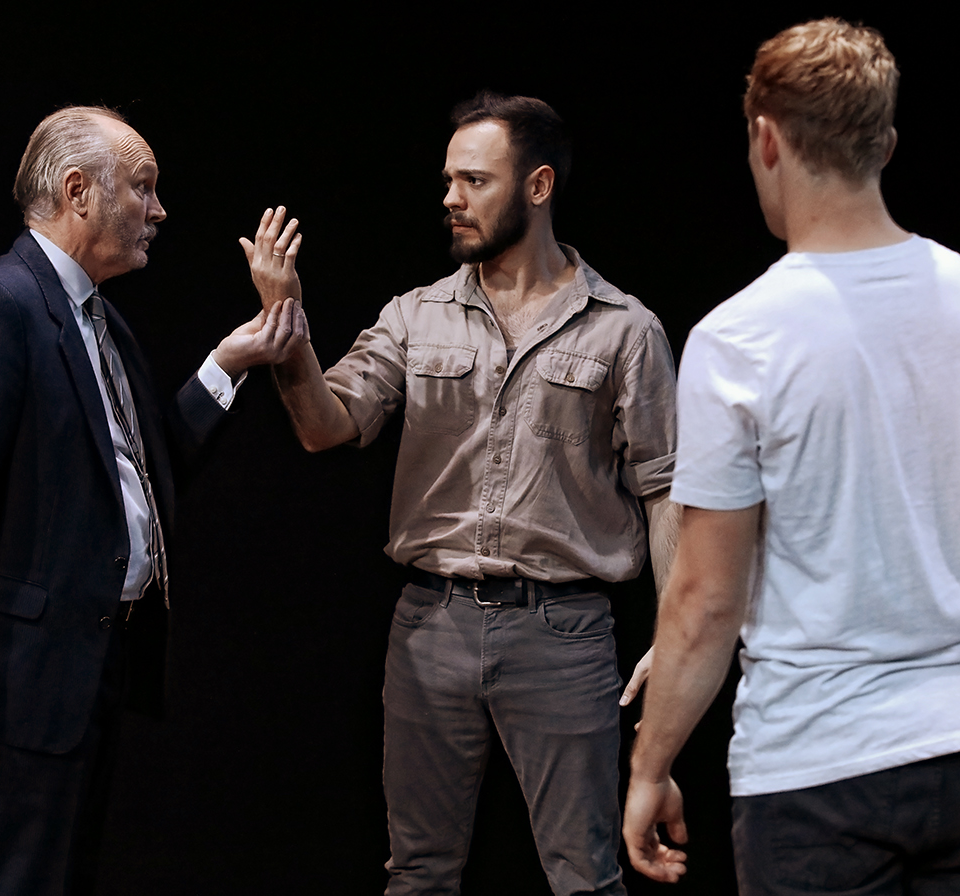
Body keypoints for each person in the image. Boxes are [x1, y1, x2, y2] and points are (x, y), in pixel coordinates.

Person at [622, 18, 960, 893]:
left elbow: (708, 597)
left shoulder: (740, 340)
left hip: (815, 770)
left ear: (765, 138)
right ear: (885, 143)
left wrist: (649, 764)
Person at [240, 92, 680, 895]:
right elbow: (326, 425)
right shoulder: (416, 315)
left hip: (563, 632)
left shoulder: (624, 329)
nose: (451, 197)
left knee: (585, 875)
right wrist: (286, 318)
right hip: (430, 627)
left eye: (474, 180)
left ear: (538, 186)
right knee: (418, 873)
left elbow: (664, 490)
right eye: (448, 179)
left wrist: (675, 639)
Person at [0, 105, 306, 896]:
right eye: (142, 189)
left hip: (82, 676)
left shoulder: (98, 318)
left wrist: (229, 361)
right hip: (12, 687)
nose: (159, 211)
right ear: (79, 192)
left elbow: (146, 474)